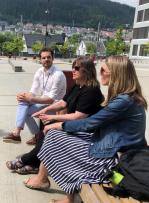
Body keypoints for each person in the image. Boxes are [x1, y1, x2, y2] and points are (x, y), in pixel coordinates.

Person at [23, 56, 147, 203]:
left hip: (115, 158)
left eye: (103, 70)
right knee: (55, 136)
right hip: (109, 146)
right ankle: (55, 186)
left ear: (116, 74)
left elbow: (89, 123)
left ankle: (62, 192)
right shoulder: (127, 98)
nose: (100, 73)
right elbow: (71, 109)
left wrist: (58, 124)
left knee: (57, 139)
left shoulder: (123, 101)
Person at [6, 56, 104, 174]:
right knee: (46, 130)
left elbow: (79, 116)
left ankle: (26, 159)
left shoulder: (91, 90)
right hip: (75, 124)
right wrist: (46, 110)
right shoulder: (76, 86)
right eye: (73, 67)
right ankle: (36, 163)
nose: (73, 70)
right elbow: (63, 103)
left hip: (85, 130)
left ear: (87, 70)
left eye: (77, 68)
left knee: (50, 130)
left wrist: (52, 117)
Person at [3, 47, 66, 144]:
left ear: (53, 58)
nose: (46, 60)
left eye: (48, 57)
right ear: (40, 59)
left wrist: (30, 98)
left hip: (56, 107)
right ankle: (17, 134)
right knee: (23, 102)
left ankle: (32, 136)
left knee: (25, 110)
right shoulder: (39, 72)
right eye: (44, 58)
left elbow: (51, 99)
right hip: (44, 103)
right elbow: (33, 91)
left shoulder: (58, 75)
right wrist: (24, 96)